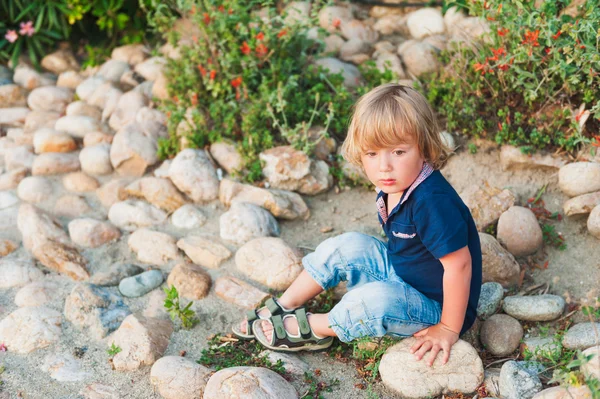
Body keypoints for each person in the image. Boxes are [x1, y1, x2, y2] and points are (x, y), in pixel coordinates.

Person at [232, 83, 482, 366]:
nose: (384, 166)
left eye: (398, 152)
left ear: (423, 148)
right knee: (346, 245)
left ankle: (316, 327)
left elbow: (459, 265)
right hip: (403, 273)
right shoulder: (394, 183)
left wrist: (448, 327)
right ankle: (284, 304)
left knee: (375, 301)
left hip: (435, 305)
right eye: (372, 154)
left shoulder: (432, 202)